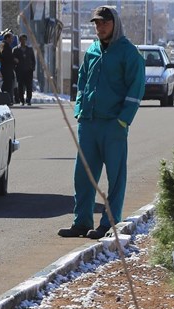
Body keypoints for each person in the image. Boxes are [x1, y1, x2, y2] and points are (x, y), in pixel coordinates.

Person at [58, 6, 145, 239]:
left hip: (113, 124)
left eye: (104, 23)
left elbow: (135, 89)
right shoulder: (93, 51)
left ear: (115, 24)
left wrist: (123, 121)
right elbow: (82, 80)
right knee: (83, 175)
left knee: (115, 177)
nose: (100, 27)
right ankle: (81, 221)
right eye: (97, 23)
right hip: (89, 122)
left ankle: (109, 222)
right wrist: (79, 109)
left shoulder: (128, 53)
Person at [13, 34, 36, 105]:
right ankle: (21, 100)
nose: (23, 41)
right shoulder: (16, 50)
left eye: (24, 40)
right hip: (20, 71)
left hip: (28, 71)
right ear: (19, 40)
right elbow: (13, 60)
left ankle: (28, 99)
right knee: (20, 86)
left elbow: (33, 60)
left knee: (29, 86)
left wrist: (32, 68)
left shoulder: (29, 49)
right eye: (22, 39)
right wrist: (15, 69)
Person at [0, 32, 16, 104]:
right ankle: (4, 99)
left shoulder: (6, 45)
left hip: (8, 67)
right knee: (7, 85)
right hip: (6, 67)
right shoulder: (4, 45)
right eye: (11, 38)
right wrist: (13, 59)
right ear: (7, 38)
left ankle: (7, 99)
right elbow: (5, 55)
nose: (12, 40)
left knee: (9, 84)